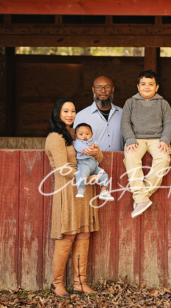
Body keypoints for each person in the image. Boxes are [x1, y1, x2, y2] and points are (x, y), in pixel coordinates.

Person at [45, 98, 103, 297]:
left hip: (84, 191)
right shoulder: (55, 137)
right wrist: (86, 177)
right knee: (67, 235)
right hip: (68, 191)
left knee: (84, 234)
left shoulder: (76, 133)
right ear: (57, 113)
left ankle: (80, 283)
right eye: (65, 111)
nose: (70, 114)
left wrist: (96, 152)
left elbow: (97, 159)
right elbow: (62, 168)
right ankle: (57, 283)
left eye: (73, 111)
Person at [120, 70, 171, 218]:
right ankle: (142, 198)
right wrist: (130, 139)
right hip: (136, 139)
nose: (147, 87)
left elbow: (169, 125)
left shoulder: (163, 103)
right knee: (131, 157)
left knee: (163, 159)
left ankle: (141, 197)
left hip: (157, 139)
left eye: (151, 84)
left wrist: (165, 139)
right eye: (143, 84)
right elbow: (125, 123)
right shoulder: (130, 102)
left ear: (157, 87)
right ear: (138, 86)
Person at [74, 76, 124, 151]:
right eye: (98, 87)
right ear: (93, 90)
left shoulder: (123, 113)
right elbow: (76, 143)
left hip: (118, 161)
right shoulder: (81, 116)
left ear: (112, 89)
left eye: (107, 87)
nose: (103, 91)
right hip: (92, 161)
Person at [73, 122, 114, 201]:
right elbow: (81, 148)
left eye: (87, 133)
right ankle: (81, 189)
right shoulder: (77, 142)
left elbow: (98, 145)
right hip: (84, 163)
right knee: (82, 174)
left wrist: (95, 146)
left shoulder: (93, 141)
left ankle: (104, 191)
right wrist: (91, 149)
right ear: (76, 136)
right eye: (81, 134)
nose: (84, 136)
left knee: (104, 174)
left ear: (92, 134)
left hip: (94, 165)